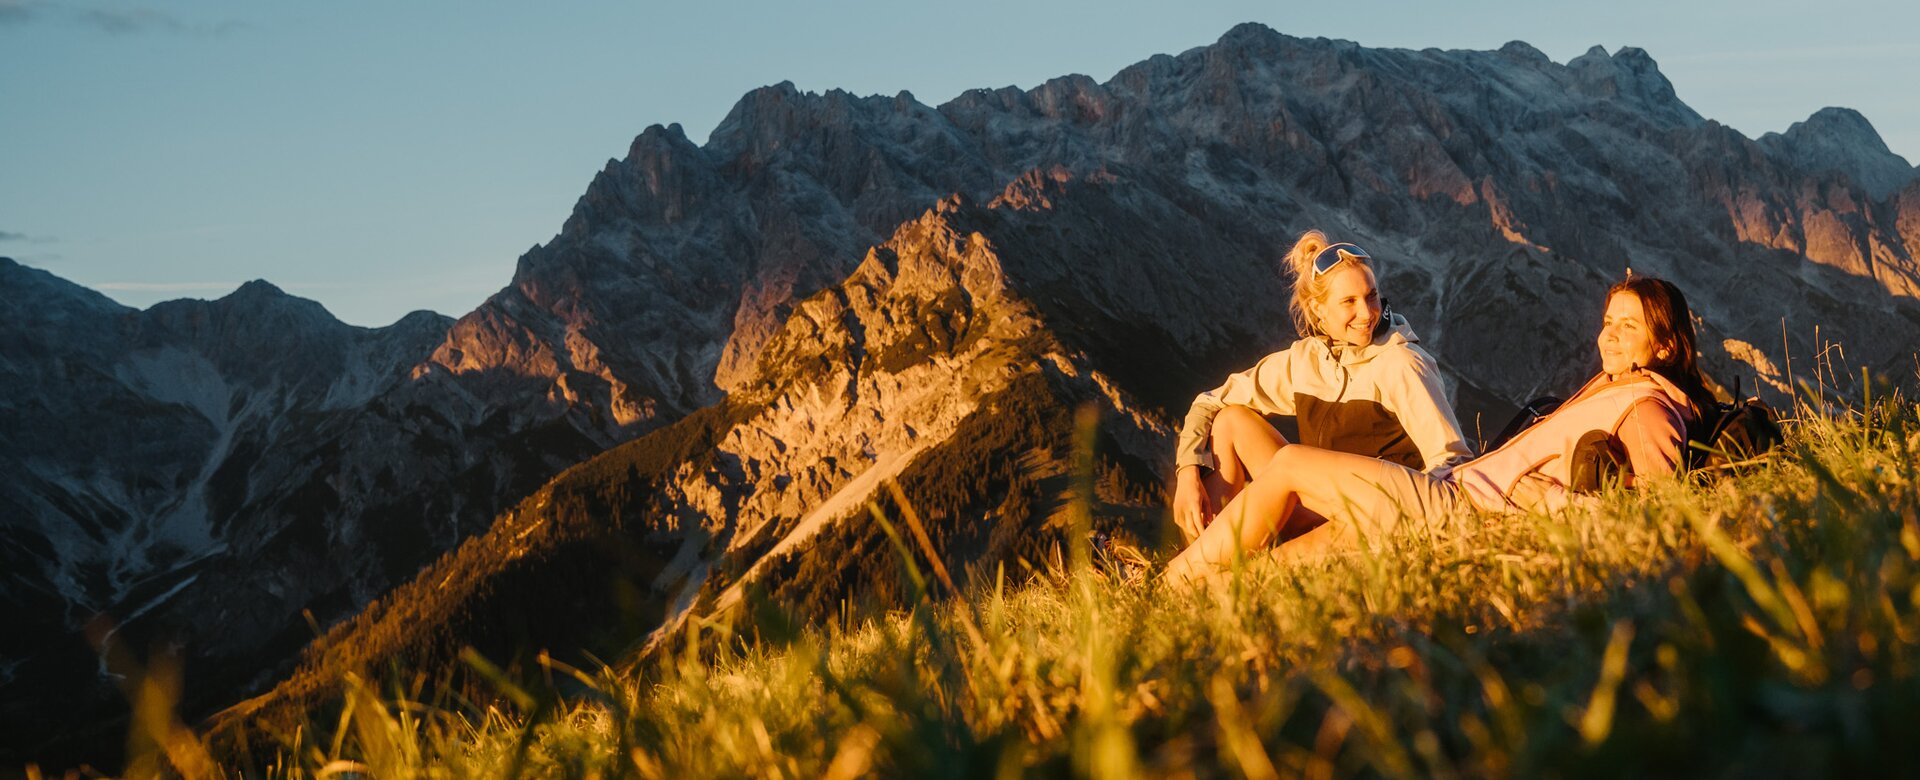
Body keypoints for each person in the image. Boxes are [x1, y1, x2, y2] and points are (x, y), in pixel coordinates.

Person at [1164, 275, 1708, 583]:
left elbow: (1654, 521)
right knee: (1259, 563)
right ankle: (1196, 582)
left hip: (1460, 507)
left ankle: (1168, 586)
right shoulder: (1621, 386)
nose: (1608, 336)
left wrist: (1549, 505)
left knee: (1289, 464)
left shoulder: (1648, 408)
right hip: (1456, 497)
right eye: (1608, 322)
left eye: (1628, 326)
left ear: (1664, 345)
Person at [1172, 231, 1472, 544]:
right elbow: (1209, 402)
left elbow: (1452, 464)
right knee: (1230, 420)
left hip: (1377, 519)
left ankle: (1199, 564)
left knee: (1266, 563)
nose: (1367, 313)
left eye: (1371, 295)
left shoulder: (1401, 364)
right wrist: (1188, 471)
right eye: (1349, 302)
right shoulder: (1306, 362)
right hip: (1321, 507)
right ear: (1318, 309)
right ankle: (1203, 546)